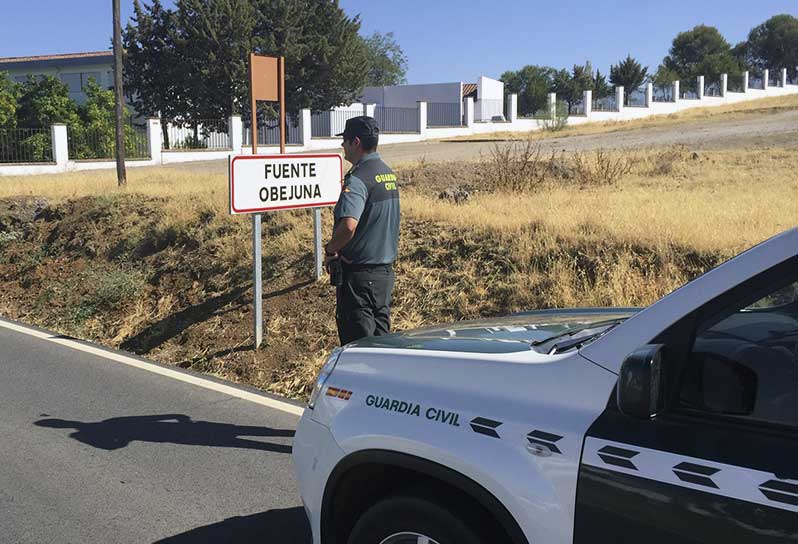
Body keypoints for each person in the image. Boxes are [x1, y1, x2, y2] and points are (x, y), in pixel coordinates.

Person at [325, 116, 400, 345]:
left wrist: (330, 250)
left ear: (355, 142)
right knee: (381, 345)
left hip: (359, 278)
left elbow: (348, 225)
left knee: (359, 348)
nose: (342, 146)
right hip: (383, 276)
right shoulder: (387, 174)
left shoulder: (358, 179)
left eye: (345, 141)